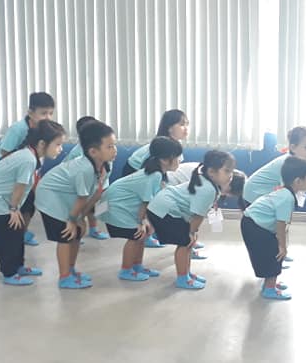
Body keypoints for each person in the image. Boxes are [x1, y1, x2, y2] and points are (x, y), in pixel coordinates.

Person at [0, 120, 66, 285]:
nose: (61, 149)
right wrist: (13, 209)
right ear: (42, 144)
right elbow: (20, 186)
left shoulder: (33, 156)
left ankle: (19, 266)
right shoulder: (28, 159)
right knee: (6, 237)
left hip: (3, 197)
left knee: (17, 231)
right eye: (58, 144)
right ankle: (9, 273)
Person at [35, 121, 117, 289]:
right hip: (50, 196)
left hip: (67, 197)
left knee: (78, 231)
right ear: (93, 151)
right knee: (66, 235)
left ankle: (70, 270)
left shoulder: (106, 165)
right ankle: (64, 277)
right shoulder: (84, 168)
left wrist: (80, 218)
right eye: (109, 147)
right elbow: (82, 198)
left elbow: (97, 194)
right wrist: (73, 219)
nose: (114, 150)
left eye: (114, 145)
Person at [146, 150, 236, 290]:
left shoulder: (208, 181)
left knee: (188, 242)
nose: (231, 175)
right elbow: (197, 216)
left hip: (166, 206)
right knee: (185, 242)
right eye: (227, 171)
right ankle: (183, 278)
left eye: (231, 170)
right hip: (164, 210)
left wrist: (191, 233)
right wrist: (191, 233)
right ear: (212, 172)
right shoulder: (208, 189)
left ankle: (186, 274)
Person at [101, 137, 183, 282]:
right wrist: (141, 222)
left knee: (142, 235)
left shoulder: (159, 172)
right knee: (136, 235)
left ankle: (137, 266)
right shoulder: (154, 175)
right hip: (115, 204)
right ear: (165, 160)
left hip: (123, 203)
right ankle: (126, 270)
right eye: (177, 157)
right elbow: (146, 203)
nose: (180, 161)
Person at [240, 157, 306, 300]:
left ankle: (269, 284)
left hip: (252, 223)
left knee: (270, 254)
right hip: (255, 226)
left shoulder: (284, 192)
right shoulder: (287, 198)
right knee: (275, 255)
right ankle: (269, 289)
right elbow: (281, 225)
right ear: (298, 181)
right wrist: (282, 246)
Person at [241, 126, 306, 262]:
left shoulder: (296, 163)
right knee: (272, 227)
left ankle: (279, 252)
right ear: (293, 147)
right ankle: (276, 254)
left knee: (279, 223)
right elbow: (287, 192)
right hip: (254, 194)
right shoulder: (287, 165)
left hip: (266, 194)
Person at [0, 91, 56, 246]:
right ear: (30, 113)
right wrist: (23, 168)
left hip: (29, 173)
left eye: (51, 113)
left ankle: (22, 232)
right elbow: (5, 153)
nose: (48, 117)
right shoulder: (18, 129)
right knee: (16, 205)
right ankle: (13, 234)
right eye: (43, 113)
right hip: (10, 173)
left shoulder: (46, 130)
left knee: (30, 204)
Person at [125, 109, 190, 248]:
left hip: (154, 176)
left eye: (187, 124)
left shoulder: (175, 146)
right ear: (169, 127)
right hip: (135, 173)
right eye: (182, 124)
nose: (186, 128)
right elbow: (147, 174)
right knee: (151, 200)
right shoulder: (159, 147)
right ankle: (147, 233)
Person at [63, 116, 107, 239]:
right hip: (78, 185)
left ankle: (93, 229)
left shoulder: (101, 147)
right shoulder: (77, 152)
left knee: (93, 208)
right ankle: (75, 231)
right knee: (78, 209)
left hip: (95, 184)